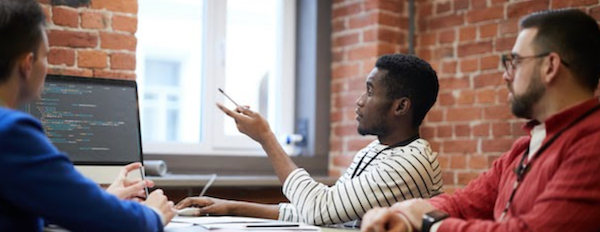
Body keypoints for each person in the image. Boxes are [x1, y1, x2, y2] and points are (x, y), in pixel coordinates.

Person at [361, 9, 600, 232]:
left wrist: (431, 224)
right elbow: (465, 203)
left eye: (515, 62)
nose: (506, 75)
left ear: (550, 66)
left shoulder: (592, 145)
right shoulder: (523, 149)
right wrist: (402, 215)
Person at [175, 54, 443, 226]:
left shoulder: (410, 162)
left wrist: (266, 138)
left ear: (401, 107)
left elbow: (319, 211)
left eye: (370, 92)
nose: (360, 101)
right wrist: (229, 207)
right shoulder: (376, 151)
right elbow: (321, 211)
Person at [0, 0, 176, 231]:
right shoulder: (12, 132)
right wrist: (153, 213)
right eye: (45, 57)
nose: (47, 67)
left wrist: (101, 202)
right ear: (28, 64)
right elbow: (121, 224)